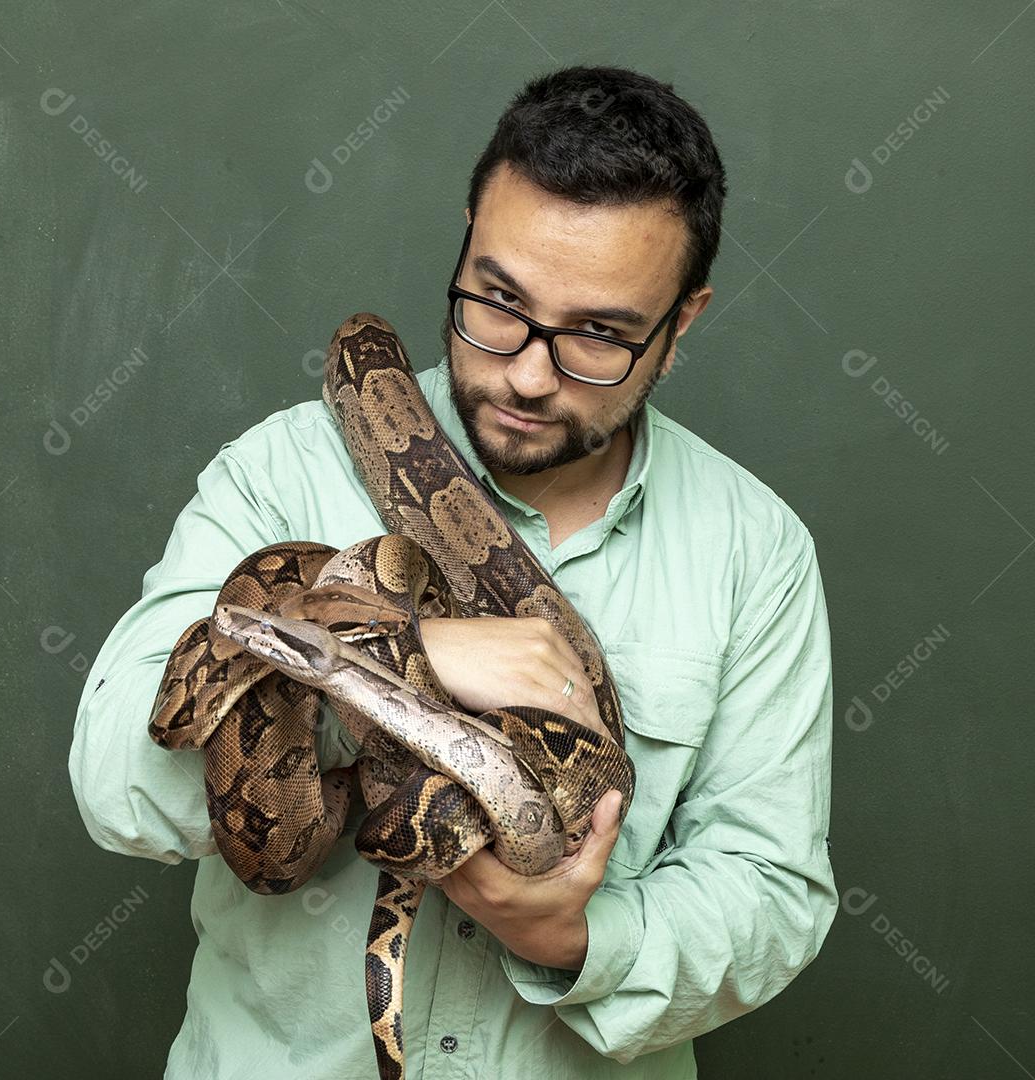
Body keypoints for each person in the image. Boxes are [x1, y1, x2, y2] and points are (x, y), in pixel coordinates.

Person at [69, 64, 837, 1079]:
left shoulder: (755, 550)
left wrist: (573, 941)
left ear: (680, 323)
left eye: (598, 335)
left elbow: (772, 890)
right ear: (468, 237)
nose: (524, 371)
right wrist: (397, 658)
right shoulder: (280, 470)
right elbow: (120, 784)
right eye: (496, 301)